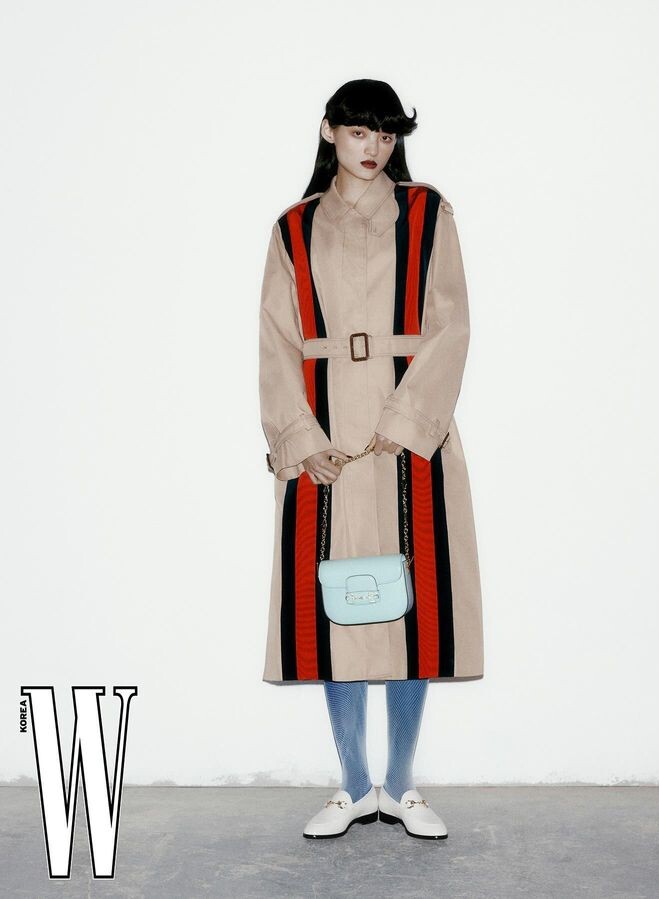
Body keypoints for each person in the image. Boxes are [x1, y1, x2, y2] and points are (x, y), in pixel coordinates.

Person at [258, 79, 484, 840]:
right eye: (360, 131)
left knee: (414, 609)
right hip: (327, 447)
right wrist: (300, 441)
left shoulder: (427, 214)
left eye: (386, 134)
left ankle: (403, 784)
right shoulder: (293, 230)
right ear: (330, 131)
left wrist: (408, 419)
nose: (374, 147)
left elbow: (451, 325)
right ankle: (355, 786)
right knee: (337, 610)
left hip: (412, 437)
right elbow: (276, 343)